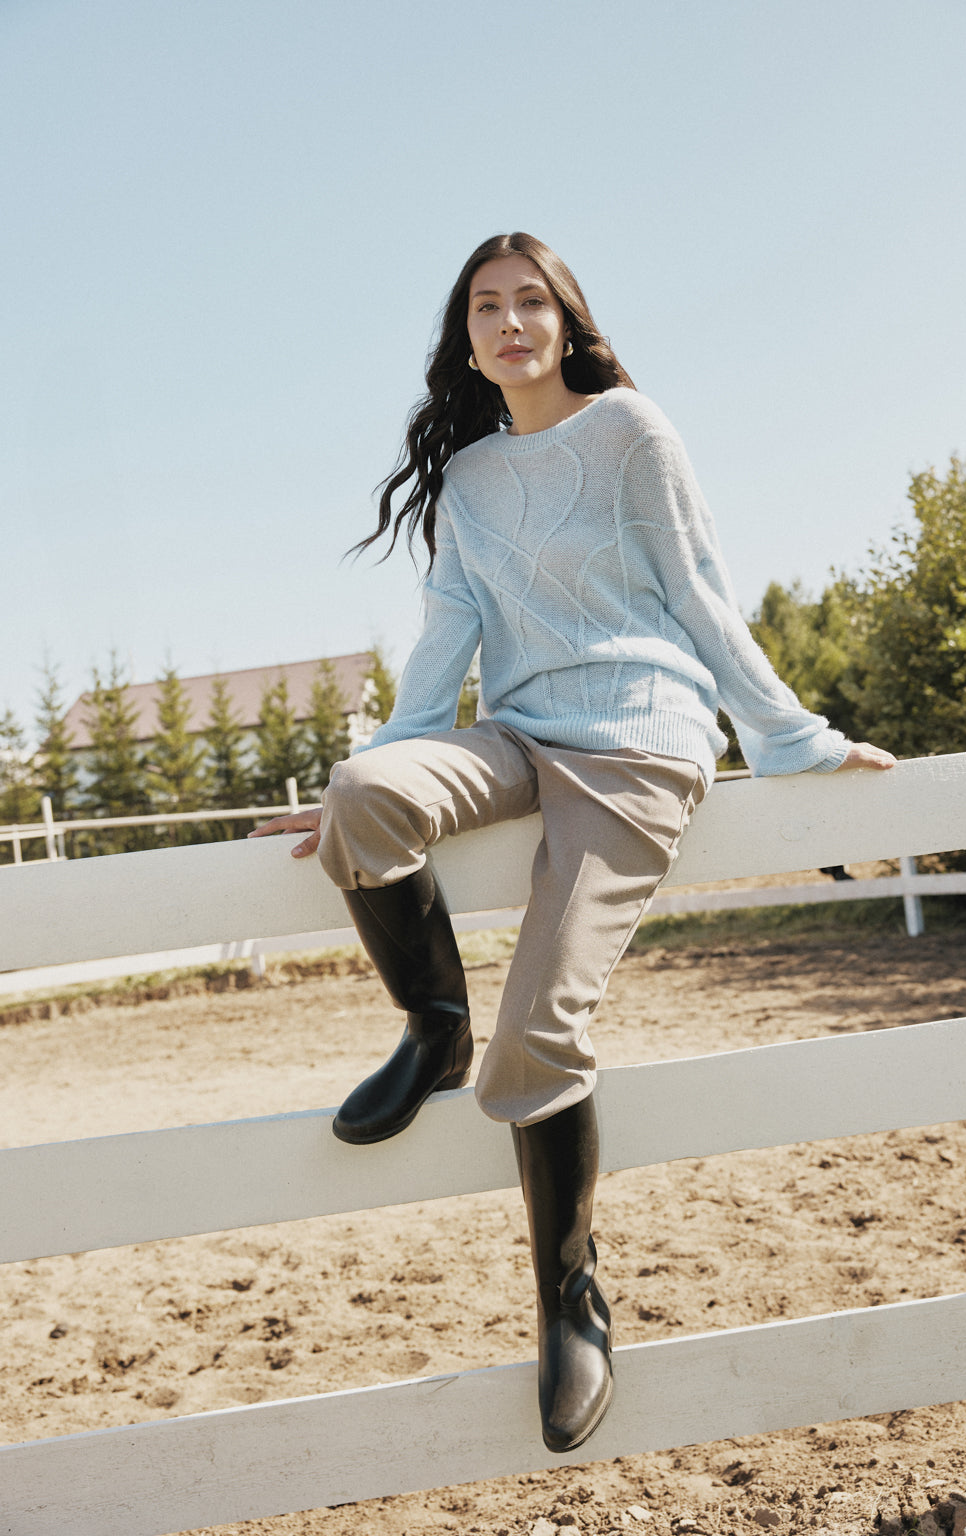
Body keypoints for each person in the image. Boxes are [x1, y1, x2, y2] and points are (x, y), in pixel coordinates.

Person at [250, 232, 895, 1454]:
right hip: (520, 727)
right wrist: (374, 762)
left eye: (529, 301)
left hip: (638, 740)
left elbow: (699, 586)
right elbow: (449, 631)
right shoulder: (470, 482)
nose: (509, 323)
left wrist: (790, 733)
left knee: (541, 1027)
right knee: (368, 799)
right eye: (485, 307)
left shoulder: (630, 432)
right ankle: (432, 1029)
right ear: (467, 339)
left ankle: (570, 1300)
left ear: (565, 318)